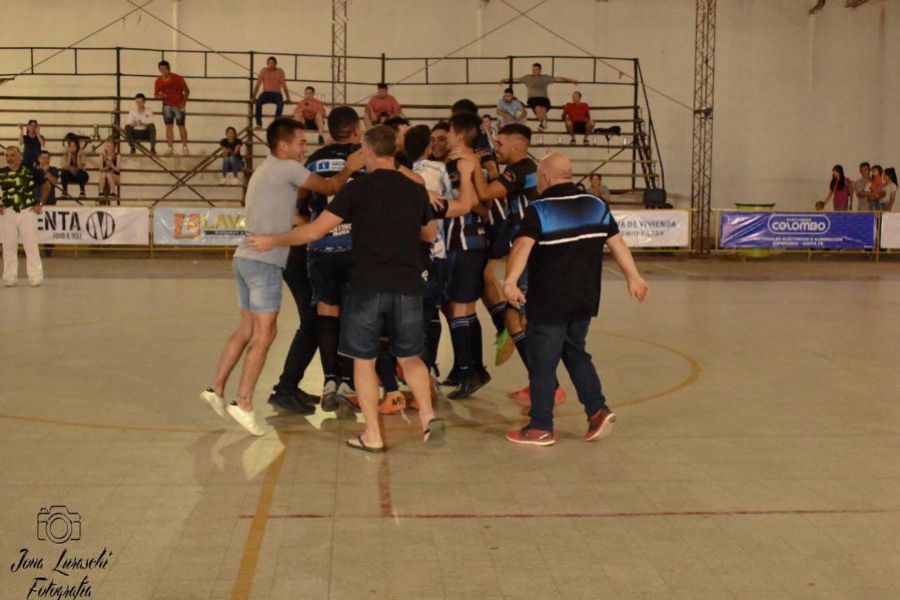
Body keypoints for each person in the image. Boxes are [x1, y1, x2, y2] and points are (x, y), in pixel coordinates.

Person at [247, 125, 444, 452]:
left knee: (363, 362)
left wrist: (274, 239)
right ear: (393, 152)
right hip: (408, 284)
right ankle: (427, 417)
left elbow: (314, 232)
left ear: (367, 152)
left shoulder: (357, 190)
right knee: (410, 357)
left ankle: (373, 435)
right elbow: (429, 234)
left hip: (367, 286)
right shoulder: (415, 190)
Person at [199, 117, 364, 436]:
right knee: (266, 332)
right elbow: (330, 187)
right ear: (283, 145)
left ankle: (216, 389)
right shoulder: (286, 167)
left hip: (244, 257)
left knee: (246, 328)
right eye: (301, 143)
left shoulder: (265, 169)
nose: (304, 148)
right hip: (264, 261)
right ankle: (243, 402)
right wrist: (349, 168)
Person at [503, 153, 649, 446]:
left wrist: (509, 281)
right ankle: (597, 410)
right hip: (585, 299)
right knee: (574, 352)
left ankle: (541, 426)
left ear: (544, 178)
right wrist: (634, 277)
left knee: (543, 361)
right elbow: (617, 242)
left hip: (549, 300)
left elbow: (522, 246)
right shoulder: (595, 205)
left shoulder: (539, 209)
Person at [298, 107, 366, 412]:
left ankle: (329, 380)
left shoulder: (314, 158)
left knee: (327, 311)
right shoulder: (363, 157)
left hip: (321, 246)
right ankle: (349, 382)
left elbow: (298, 200)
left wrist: (310, 226)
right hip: (355, 245)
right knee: (353, 313)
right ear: (354, 129)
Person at [0, 146, 50, 287]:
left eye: (13, 155)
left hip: (27, 212)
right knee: (8, 247)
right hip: (7, 213)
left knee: (31, 245)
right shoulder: (2, 173)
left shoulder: (30, 170)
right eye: (7, 155)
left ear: (19, 155)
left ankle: (35, 277)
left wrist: (40, 203)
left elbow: (47, 186)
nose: (9, 158)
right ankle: (9, 278)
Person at [501, 63, 578, 131]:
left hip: (544, 98)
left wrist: (571, 80)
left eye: (535, 70)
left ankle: (542, 124)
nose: (533, 71)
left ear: (540, 70)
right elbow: (516, 79)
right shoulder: (528, 77)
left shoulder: (545, 77)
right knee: (538, 108)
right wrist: (504, 80)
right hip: (533, 98)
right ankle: (543, 123)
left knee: (543, 110)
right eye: (533, 69)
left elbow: (558, 78)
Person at [154, 60, 190, 155]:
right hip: (167, 105)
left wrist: (183, 103)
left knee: (181, 125)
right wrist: (160, 96)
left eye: (165, 69)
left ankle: (185, 147)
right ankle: (170, 148)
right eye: (161, 69)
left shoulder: (178, 78)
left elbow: (187, 91)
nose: (163, 71)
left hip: (178, 105)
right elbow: (155, 95)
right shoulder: (158, 81)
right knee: (169, 126)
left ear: (169, 68)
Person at [252, 56, 290, 128]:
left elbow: (284, 85)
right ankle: (258, 123)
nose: (271, 64)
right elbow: (257, 85)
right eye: (269, 63)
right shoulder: (263, 71)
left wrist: (288, 97)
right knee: (258, 102)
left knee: (280, 104)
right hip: (266, 93)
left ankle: (276, 123)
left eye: (273, 63)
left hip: (277, 94)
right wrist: (253, 97)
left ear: (276, 64)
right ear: (267, 64)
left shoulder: (280, 71)